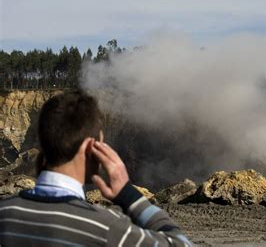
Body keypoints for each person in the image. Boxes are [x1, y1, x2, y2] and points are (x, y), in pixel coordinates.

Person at [0, 90, 193, 246]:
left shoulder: (5, 212)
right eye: (102, 143)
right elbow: (181, 244)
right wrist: (128, 194)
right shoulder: (106, 227)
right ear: (90, 148)